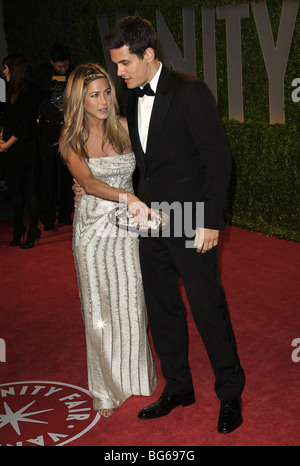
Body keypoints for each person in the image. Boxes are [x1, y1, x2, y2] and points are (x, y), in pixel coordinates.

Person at [101, 16, 245, 433]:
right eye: (116, 65)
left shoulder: (189, 91)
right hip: (151, 220)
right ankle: (178, 386)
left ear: (148, 55)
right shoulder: (131, 95)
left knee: (206, 307)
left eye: (125, 63)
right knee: (161, 306)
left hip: (191, 220)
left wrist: (212, 221)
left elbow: (218, 157)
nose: (120, 73)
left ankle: (230, 392)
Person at [59, 63, 157, 417]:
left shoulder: (126, 128)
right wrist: (126, 197)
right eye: (94, 95)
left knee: (132, 301)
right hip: (93, 231)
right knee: (99, 309)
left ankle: (135, 379)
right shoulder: (71, 137)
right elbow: (88, 183)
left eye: (105, 92)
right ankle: (106, 388)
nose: (103, 101)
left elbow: (152, 166)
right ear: (78, 100)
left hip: (127, 230)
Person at [0, 54, 41, 248]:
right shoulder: (11, 89)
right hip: (9, 147)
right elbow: (7, 118)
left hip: (24, 147)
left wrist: (7, 144)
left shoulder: (30, 91)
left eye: (6, 68)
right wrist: (1, 137)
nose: (4, 72)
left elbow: (25, 125)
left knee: (29, 187)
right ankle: (18, 229)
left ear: (14, 69)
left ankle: (33, 229)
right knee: (14, 188)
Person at [35, 43, 74, 231]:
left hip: (67, 129)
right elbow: (38, 100)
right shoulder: (42, 73)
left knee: (68, 175)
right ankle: (48, 218)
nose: (64, 69)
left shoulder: (74, 72)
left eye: (66, 65)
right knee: (48, 176)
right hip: (48, 130)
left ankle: (66, 214)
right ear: (52, 63)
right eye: (60, 67)